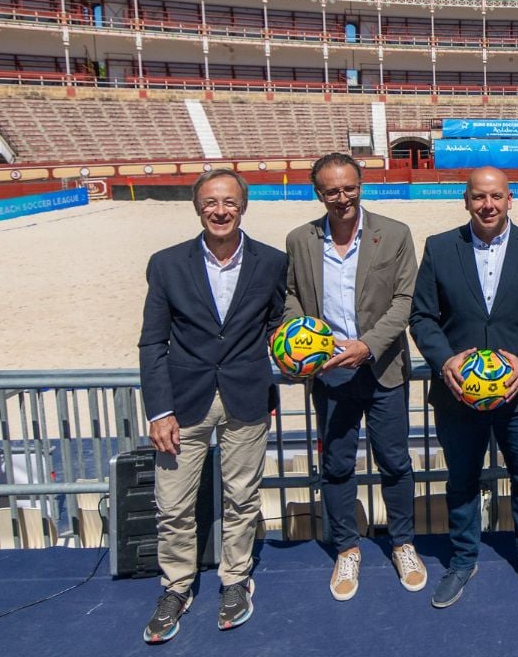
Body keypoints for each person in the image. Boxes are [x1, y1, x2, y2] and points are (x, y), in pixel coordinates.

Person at [137, 169, 287, 643]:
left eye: (229, 202)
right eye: (210, 203)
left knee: (242, 498)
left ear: (243, 206)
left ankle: (236, 579)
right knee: (173, 505)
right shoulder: (165, 264)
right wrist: (159, 410)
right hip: (183, 403)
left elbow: (278, 325)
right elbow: (151, 343)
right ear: (197, 207)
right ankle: (177, 587)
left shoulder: (271, 262)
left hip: (246, 396)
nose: (220, 211)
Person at [409, 166, 518, 608]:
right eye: (479, 197)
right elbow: (422, 317)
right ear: (466, 200)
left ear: (510, 199)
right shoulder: (440, 248)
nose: (488, 205)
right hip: (459, 394)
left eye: (496, 197)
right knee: (461, 481)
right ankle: (462, 558)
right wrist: (446, 359)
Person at [283, 152, 425, 601]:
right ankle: (347, 547)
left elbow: (405, 300)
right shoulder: (299, 240)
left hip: (383, 368)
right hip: (329, 374)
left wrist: (368, 345)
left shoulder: (395, 234)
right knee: (337, 465)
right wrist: (305, 341)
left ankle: (403, 542)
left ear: (361, 185)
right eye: (332, 191)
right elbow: (291, 296)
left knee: (395, 462)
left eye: (349, 188)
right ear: (318, 193)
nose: (342, 197)